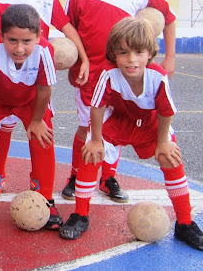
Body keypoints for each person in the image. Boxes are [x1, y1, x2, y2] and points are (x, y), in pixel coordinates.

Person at [59, 18, 203, 250]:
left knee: (170, 157)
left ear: (150, 53)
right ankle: (81, 215)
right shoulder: (108, 73)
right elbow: (97, 106)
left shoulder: (157, 76)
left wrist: (164, 142)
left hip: (150, 123)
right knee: (91, 154)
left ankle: (185, 223)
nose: (131, 59)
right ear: (114, 54)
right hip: (118, 120)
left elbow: (166, 111)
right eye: (123, 52)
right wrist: (96, 140)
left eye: (138, 52)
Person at [61, 0, 177, 203]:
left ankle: (108, 177)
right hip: (89, 72)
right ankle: (77, 174)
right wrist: (80, 61)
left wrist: (169, 58)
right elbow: (70, 28)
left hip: (125, 73)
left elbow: (169, 18)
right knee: (87, 127)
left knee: (120, 124)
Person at [0, 0, 88, 197]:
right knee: (4, 125)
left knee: (38, 127)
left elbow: (67, 28)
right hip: (6, 78)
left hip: (36, 78)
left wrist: (83, 58)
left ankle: (37, 177)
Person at [0, 4, 62, 230]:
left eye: (27, 41)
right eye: (12, 40)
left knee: (43, 138)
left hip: (31, 99)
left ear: (38, 36)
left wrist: (36, 121)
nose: (19, 48)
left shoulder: (45, 50)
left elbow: (45, 88)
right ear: (1, 35)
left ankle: (46, 198)